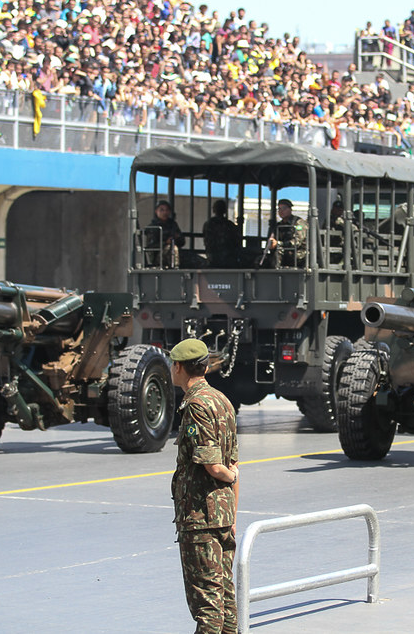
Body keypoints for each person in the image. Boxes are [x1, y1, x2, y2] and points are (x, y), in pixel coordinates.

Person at [170, 338, 239, 634]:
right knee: (224, 596)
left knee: (207, 604)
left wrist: (228, 476)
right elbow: (236, 462)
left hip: (201, 518)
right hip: (222, 516)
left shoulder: (197, 406)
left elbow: (216, 467)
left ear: (178, 368)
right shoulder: (222, 401)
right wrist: (233, 513)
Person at [266, 198, 307, 268]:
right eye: (279, 209)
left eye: (284, 208)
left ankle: (277, 272)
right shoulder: (279, 225)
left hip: (299, 253)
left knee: (279, 250)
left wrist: (278, 244)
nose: (281, 211)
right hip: (285, 252)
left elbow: (297, 242)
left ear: (290, 209)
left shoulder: (298, 223)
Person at [203, 199, 242, 268]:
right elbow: (237, 241)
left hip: (213, 259)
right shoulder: (230, 225)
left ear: (214, 210)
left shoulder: (208, 224)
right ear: (225, 210)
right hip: (229, 260)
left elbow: (207, 241)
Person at [145, 200, 185, 268]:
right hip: (159, 256)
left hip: (175, 253)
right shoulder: (153, 227)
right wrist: (165, 242)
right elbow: (151, 246)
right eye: (161, 210)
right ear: (156, 211)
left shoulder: (173, 224)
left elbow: (182, 242)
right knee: (172, 248)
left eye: (167, 210)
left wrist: (176, 238)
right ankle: (175, 270)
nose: (165, 212)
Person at [327, 199, 346, 265]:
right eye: (336, 209)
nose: (337, 211)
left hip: (342, 246)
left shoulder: (344, 220)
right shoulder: (329, 219)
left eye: (340, 210)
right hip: (331, 245)